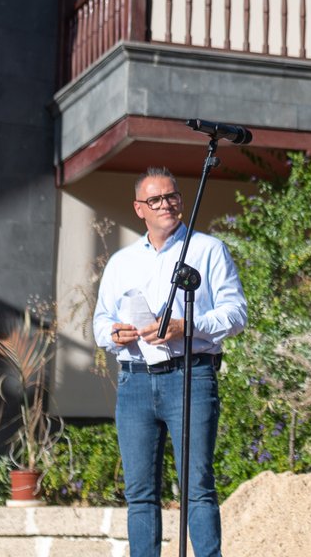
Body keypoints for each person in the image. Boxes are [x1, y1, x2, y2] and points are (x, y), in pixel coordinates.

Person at [93, 167, 247, 557]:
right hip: (135, 383)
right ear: (139, 209)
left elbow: (236, 313)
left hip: (190, 376)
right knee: (140, 492)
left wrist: (186, 326)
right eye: (155, 200)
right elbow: (99, 322)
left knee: (197, 486)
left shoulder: (207, 249)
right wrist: (115, 334)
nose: (167, 204)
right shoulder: (121, 261)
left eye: (172, 196)